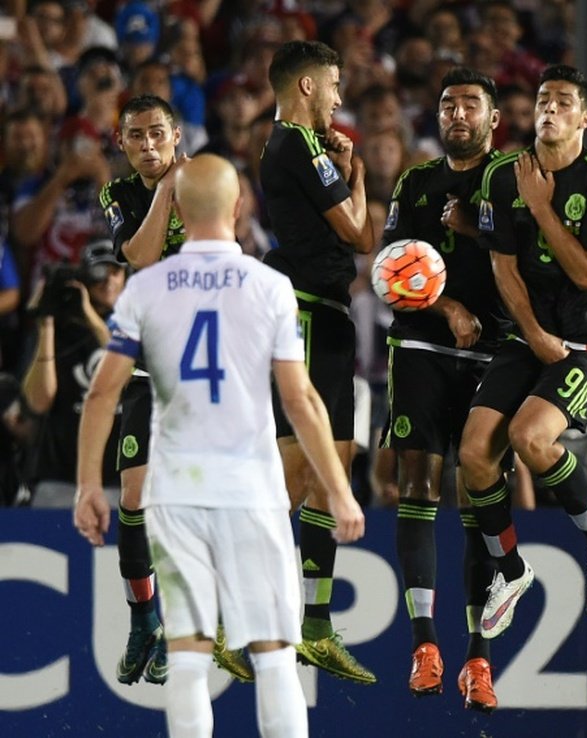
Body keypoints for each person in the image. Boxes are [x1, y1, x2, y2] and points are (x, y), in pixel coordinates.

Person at [73, 153, 365, 738]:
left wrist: (87, 485)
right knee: (276, 651)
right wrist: (338, 490)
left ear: (175, 206)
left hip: (177, 495)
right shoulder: (270, 288)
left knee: (187, 654)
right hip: (252, 490)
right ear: (239, 207)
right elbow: (301, 400)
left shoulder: (145, 290)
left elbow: (104, 395)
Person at [457, 64, 587, 642]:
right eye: (541, 99)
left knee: (531, 438)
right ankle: (511, 569)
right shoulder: (503, 175)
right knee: (475, 455)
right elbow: (502, 266)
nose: (549, 109)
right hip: (528, 333)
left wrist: (540, 208)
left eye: (562, 102)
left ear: (583, 118)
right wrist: (530, 331)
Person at [379, 66, 504, 711]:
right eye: (448, 104)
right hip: (424, 347)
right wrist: (448, 304)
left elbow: (535, 257)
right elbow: (386, 270)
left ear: (493, 119)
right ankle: (426, 643)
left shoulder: (512, 180)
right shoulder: (417, 181)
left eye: (470, 105)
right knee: (419, 485)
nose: (457, 114)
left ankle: (479, 659)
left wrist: (476, 230)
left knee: (481, 498)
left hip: (496, 359)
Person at [261, 39, 376, 684]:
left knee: (339, 464)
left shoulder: (297, 148)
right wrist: (357, 178)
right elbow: (361, 235)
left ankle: (316, 624)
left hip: (328, 313)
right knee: (296, 475)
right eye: (332, 84)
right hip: (303, 310)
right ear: (305, 87)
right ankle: (238, 618)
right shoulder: (297, 145)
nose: (338, 96)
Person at [97, 93, 195, 686]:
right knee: (132, 499)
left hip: (203, 367)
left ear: (177, 134)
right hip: (144, 364)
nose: (149, 145)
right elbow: (139, 253)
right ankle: (144, 620)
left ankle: (186, 626)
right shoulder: (119, 194)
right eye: (136, 136)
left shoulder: (207, 182)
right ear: (121, 143)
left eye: (158, 133)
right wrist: (165, 191)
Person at [24, 240, 125, 508]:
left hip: (119, 480)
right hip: (60, 479)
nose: (108, 280)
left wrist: (91, 317)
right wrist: (46, 322)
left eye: (115, 271)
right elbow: (38, 401)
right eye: (99, 272)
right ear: (84, 278)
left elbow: (128, 373)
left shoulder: (135, 326)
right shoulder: (62, 329)